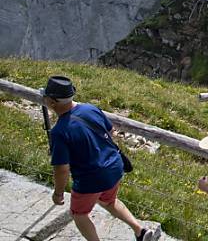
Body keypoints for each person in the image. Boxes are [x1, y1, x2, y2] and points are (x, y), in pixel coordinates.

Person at [43, 76, 156, 241]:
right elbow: (111, 132)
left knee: (79, 214)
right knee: (109, 201)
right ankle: (141, 231)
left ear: (52, 102)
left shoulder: (59, 132)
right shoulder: (90, 108)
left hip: (90, 178)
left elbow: (62, 169)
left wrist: (58, 193)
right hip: (114, 167)